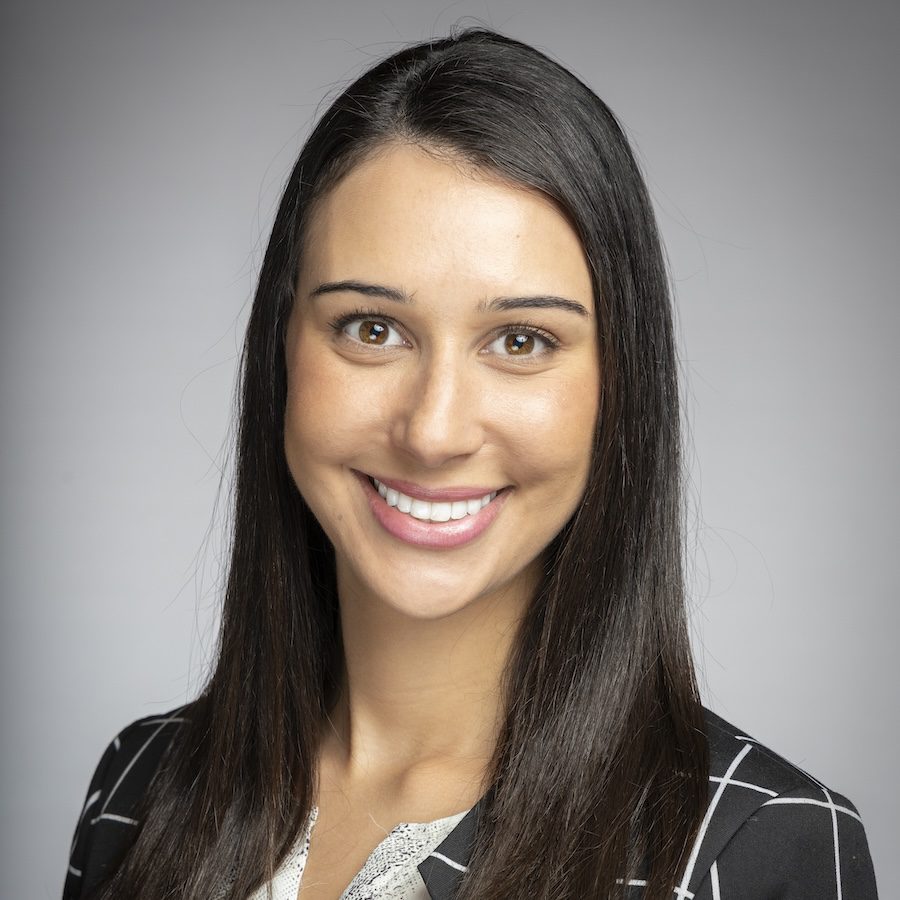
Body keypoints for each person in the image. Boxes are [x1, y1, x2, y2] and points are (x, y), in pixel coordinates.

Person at [62, 28, 877, 900]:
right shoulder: (141, 783)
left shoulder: (759, 846)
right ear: (281, 352)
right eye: (371, 329)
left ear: (619, 386)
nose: (434, 429)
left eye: (521, 340)